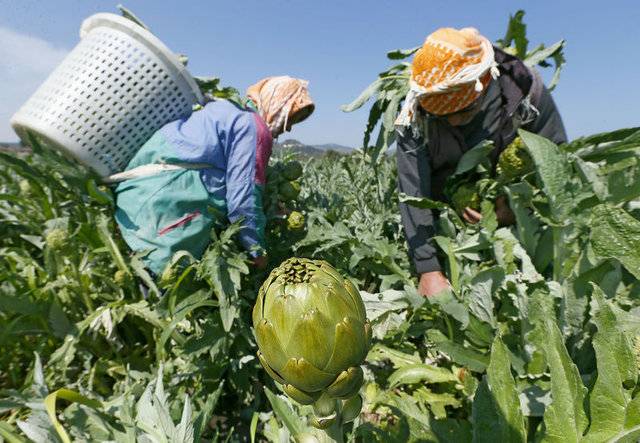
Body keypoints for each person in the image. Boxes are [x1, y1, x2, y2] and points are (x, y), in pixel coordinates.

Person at [394, 27, 567, 297]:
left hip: (519, 229)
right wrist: (428, 268)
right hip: (444, 228)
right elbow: (412, 190)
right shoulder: (412, 114)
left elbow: (555, 162)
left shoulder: (524, 91)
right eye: (441, 116)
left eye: (463, 112)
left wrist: (519, 208)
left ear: (485, 83)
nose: (451, 121)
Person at [111, 76, 314, 275]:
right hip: (165, 212)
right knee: (162, 291)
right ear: (278, 103)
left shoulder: (225, 109)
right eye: (291, 117)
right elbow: (243, 199)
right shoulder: (254, 129)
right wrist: (256, 251)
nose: (288, 127)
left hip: (136, 199)